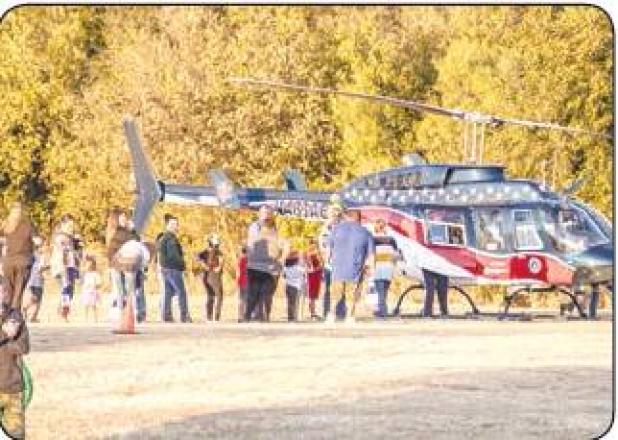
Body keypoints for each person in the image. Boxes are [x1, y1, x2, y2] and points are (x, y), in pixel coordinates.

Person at [326, 208, 374, 324]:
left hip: (337, 268)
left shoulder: (336, 229)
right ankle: (350, 316)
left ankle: (331, 315)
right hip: (355, 269)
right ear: (359, 218)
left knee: (335, 294)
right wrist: (371, 269)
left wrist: (327, 261)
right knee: (352, 293)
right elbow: (371, 254)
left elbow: (328, 249)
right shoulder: (366, 232)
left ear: (348, 217)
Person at [244, 205, 285, 322]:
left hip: (270, 267)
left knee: (266, 293)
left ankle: (263, 316)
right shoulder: (255, 227)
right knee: (254, 293)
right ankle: (249, 316)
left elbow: (284, 244)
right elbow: (253, 244)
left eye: (268, 213)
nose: (266, 215)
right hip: (255, 266)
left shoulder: (277, 229)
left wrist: (281, 260)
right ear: (259, 214)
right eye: (263, 213)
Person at [0, 202, 36, 314]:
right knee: (18, 289)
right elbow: (36, 240)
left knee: (8, 288)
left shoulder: (5, 225)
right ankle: (15, 313)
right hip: (23, 261)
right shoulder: (28, 225)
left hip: (8, 261)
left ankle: (6, 312)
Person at [0, 309, 30, 439]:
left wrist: (10, 335)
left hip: (12, 389)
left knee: (15, 433)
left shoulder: (15, 316)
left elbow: (23, 348)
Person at [158, 215, 191, 323]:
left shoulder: (163, 238)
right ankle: (184, 315)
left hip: (165, 269)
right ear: (167, 225)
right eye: (173, 224)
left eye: (176, 224)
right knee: (181, 292)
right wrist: (182, 265)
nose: (175, 226)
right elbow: (174, 255)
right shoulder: (171, 238)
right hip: (173, 269)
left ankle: (166, 316)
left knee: (168, 292)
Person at [51, 214, 80, 321]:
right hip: (63, 267)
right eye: (69, 225)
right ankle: (64, 312)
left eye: (72, 225)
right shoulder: (61, 238)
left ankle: (62, 309)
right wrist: (64, 269)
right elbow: (62, 254)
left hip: (70, 266)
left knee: (70, 291)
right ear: (63, 224)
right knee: (66, 289)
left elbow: (75, 253)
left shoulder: (71, 238)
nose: (71, 227)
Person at [319, 203, 343, 319]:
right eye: (333, 214)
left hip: (343, 263)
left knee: (341, 289)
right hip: (330, 263)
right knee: (329, 289)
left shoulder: (344, 227)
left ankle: (340, 312)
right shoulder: (326, 228)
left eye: (337, 214)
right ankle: (327, 312)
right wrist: (325, 259)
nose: (335, 216)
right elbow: (323, 245)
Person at [372, 219, 400, 318]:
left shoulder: (372, 239)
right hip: (388, 268)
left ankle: (382, 312)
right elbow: (397, 255)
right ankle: (381, 310)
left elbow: (370, 254)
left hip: (377, 267)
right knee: (384, 290)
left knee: (380, 290)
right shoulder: (391, 239)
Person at [197, 234, 224, 322]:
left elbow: (198, 258)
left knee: (210, 296)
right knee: (219, 296)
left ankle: (209, 317)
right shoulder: (217, 252)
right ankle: (216, 317)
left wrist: (204, 266)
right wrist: (219, 267)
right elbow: (221, 261)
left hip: (206, 276)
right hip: (214, 275)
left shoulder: (204, 251)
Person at [22, 235, 47, 323]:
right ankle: (27, 312)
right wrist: (45, 267)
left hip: (34, 278)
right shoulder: (35, 255)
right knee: (35, 298)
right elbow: (39, 267)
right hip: (34, 278)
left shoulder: (32, 254)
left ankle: (31, 316)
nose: (43, 247)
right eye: (42, 245)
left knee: (35, 298)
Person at [283, 250, 304, 322]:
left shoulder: (286, 267)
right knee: (295, 303)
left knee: (290, 303)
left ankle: (290, 317)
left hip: (288, 286)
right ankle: (293, 317)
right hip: (295, 286)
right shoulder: (298, 268)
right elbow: (308, 271)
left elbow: (284, 276)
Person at [305, 239, 323, 320]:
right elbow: (321, 264)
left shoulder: (313, 253)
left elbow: (321, 264)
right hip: (312, 275)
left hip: (315, 274)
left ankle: (313, 312)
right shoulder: (311, 253)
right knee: (312, 295)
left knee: (312, 295)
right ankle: (312, 313)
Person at [81, 255, 102, 323]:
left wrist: (95, 287)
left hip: (93, 291)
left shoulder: (95, 274)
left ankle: (96, 319)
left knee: (94, 305)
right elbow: (83, 282)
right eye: (87, 265)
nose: (88, 267)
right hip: (86, 291)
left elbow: (99, 283)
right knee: (86, 305)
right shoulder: (86, 274)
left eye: (90, 265)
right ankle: (85, 318)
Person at [236, 246, 248, 322]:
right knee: (246, 300)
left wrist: (237, 282)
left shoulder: (240, 260)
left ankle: (240, 317)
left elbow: (238, 272)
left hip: (241, 282)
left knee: (241, 300)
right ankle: (245, 316)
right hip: (247, 282)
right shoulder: (249, 260)